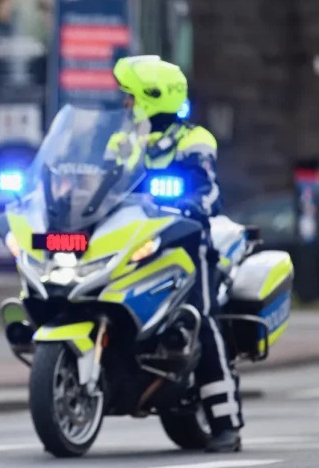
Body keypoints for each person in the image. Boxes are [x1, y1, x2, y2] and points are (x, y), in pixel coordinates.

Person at [112, 55, 242, 453]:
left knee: (199, 318)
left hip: (186, 244)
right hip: (131, 243)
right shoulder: (121, 140)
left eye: (130, 97)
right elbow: (98, 185)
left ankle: (226, 421)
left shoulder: (195, 139)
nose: (125, 105)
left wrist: (191, 199)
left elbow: (208, 190)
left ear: (151, 97)